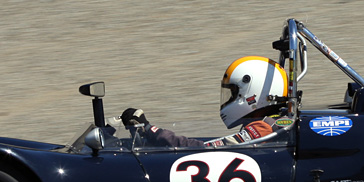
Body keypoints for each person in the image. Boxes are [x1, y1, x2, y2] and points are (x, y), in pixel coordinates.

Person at [121, 56, 293, 148]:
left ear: (254, 94)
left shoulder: (263, 128)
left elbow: (205, 149)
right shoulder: (274, 124)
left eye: (234, 94)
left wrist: (152, 131)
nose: (230, 99)